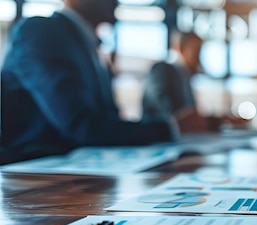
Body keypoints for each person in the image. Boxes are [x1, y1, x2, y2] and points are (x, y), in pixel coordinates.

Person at [0, 0, 194, 161]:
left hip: (81, 178)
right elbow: (81, 126)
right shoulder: (41, 31)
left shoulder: (87, 45)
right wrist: (170, 127)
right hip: (35, 180)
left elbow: (106, 122)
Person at [142, 32, 202, 120]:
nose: (199, 58)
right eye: (196, 51)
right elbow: (169, 115)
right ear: (180, 48)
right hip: (160, 132)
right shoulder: (161, 71)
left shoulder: (185, 78)